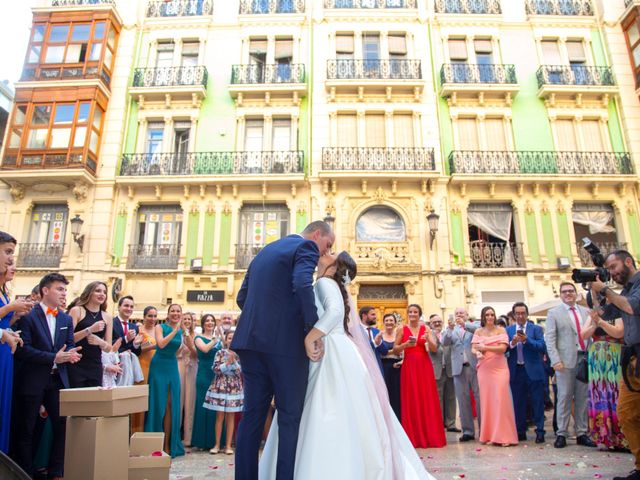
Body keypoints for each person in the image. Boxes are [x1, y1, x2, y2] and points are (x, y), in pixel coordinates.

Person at [259, 251, 434, 479]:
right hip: (341, 349)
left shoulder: (323, 282)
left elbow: (334, 312)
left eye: (331, 253)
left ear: (334, 266)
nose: (326, 252)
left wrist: (310, 337)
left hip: (330, 349)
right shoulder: (331, 284)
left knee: (325, 403)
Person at [232, 220, 334, 480]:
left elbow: (241, 298)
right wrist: (312, 327)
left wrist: (264, 321)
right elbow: (302, 284)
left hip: (250, 343)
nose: (325, 251)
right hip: (285, 348)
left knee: (252, 417)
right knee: (289, 417)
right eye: (327, 244)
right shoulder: (305, 247)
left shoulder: (264, 252)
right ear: (317, 234)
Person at [13, 273, 82, 479]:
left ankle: (56, 471)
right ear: (45, 290)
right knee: (27, 428)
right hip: (32, 379)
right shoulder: (29, 315)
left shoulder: (65, 318)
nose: (64, 293)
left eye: (64, 290)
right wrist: (55, 357)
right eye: (59, 289)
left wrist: (71, 354)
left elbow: (69, 344)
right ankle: (25, 472)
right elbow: (23, 350)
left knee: (63, 425)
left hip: (56, 380)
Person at [590, 250, 640, 480]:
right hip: (630, 359)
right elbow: (604, 312)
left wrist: (607, 290)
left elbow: (631, 307)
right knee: (626, 413)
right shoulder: (625, 290)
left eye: (613, 267)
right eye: (609, 269)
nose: (612, 273)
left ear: (628, 261)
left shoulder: (637, 286)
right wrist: (595, 291)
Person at [544, 282, 596, 449]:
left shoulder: (585, 312)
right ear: (560, 294)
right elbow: (550, 339)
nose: (568, 294)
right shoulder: (554, 313)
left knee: (582, 398)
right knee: (564, 398)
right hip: (564, 362)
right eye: (564, 291)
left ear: (576, 293)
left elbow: (590, 335)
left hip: (584, 359)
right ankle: (561, 433)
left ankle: (582, 433)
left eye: (571, 291)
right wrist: (555, 360)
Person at [393, 304, 446, 448]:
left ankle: (430, 436)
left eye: (415, 312)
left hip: (424, 366)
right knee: (412, 399)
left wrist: (428, 338)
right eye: (410, 312)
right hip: (409, 367)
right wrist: (405, 345)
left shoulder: (426, 329)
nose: (412, 314)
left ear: (419, 314)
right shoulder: (401, 329)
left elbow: (434, 349)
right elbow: (395, 350)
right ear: (407, 313)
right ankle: (414, 437)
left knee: (426, 398)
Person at [471, 306, 518, 446]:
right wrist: (477, 352)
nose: (490, 317)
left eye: (492, 314)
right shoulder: (478, 331)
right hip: (484, 368)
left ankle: (505, 436)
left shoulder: (501, 330)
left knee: (502, 400)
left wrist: (485, 347)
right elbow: (473, 347)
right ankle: (488, 435)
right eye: (487, 314)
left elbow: (503, 348)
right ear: (483, 316)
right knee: (487, 401)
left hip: (499, 367)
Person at [581, 308, 626, 450]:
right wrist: (595, 323)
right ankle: (603, 436)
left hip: (614, 354)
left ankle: (620, 437)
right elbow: (583, 335)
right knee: (598, 395)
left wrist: (600, 322)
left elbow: (619, 332)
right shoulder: (593, 313)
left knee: (616, 394)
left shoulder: (617, 311)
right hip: (596, 357)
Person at [145, 303, 185, 458]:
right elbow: (160, 344)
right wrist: (175, 330)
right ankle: (156, 444)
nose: (175, 313)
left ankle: (168, 445)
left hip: (172, 366)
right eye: (173, 311)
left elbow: (180, 350)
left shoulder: (182, 331)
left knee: (171, 405)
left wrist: (185, 335)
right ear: (168, 314)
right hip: (159, 366)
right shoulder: (160, 328)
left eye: (178, 311)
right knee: (158, 404)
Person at [507, 302, 547, 443]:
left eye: (523, 313)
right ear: (514, 315)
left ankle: (540, 431)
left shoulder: (535, 329)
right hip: (516, 371)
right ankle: (520, 430)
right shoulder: (509, 330)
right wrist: (512, 343)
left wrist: (526, 340)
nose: (520, 316)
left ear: (527, 314)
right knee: (518, 403)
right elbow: (505, 349)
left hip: (533, 371)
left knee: (537, 402)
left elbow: (541, 346)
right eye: (517, 313)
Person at [442, 307, 481, 442]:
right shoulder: (452, 330)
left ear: (467, 315)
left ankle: (483, 429)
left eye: (461, 313)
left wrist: (464, 324)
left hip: (474, 366)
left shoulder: (475, 325)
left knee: (479, 398)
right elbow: (445, 343)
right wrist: (449, 329)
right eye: (456, 313)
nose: (459, 315)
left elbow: (479, 331)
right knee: (463, 400)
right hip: (459, 368)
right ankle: (468, 431)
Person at [204, 330, 243, 455]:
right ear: (225, 340)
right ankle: (217, 444)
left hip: (234, 388)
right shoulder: (219, 352)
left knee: (231, 416)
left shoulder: (240, 354)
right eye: (229, 338)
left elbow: (240, 371)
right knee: (219, 416)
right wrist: (226, 364)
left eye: (234, 338)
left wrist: (234, 362)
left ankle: (228, 445)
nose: (231, 340)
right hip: (220, 386)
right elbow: (215, 369)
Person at [68, 281, 113, 387]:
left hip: (95, 364)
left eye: (104, 292)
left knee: (93, 400)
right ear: (89, 293)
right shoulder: (77, 310)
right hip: (76, 362)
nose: (102, 294)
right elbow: (68, 339)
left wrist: (100, 342)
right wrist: (89, 330)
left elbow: (109, 348)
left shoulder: (107, 317)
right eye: (98, 291)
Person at [191, 314, 222, 450]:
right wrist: (215, 340)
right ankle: (201, 441)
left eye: (212, 321)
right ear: (203, 324)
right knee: (203, 406)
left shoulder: (218, 339)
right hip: (204, 375)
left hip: (217, 375)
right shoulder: (198, 338)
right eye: (207, 321)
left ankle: (215, 441)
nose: (210, 323)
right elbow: (204, 349)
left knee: (216, 407)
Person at [429, 314, 458, 433]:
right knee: (438, 398)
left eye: (439, 321)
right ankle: (439, 424)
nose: (437, 324)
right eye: (434, 322)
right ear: (430, 324)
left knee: (451, 397)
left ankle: (451, 423)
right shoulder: (428, 335)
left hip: (450, 369)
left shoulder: (449, 333)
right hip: (436, 369)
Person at [132, 306, 158, 433]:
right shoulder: (139, 330)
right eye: (150, 316)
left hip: (157, 368)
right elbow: (136, 349)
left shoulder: (158, 330)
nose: (152, 319)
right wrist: (154, 346)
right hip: (142, 367)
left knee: (153, 402)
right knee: (140, 402)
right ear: (144, 317)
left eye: (154, 316)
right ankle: (136, 433)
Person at [178, 311, 197, 449]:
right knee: (178, 401)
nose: (186, 320)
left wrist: (188, 336)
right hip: (179, 366)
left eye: (189, 319)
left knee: (190, 402)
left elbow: (196, 352)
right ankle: (175, 436)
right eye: (184, 318)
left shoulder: (196, 336)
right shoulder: (176, 334)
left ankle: (188, 437)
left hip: (192, 368)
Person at [380, 312, 402, 420]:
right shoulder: (379, 335)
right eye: (387, 320)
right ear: (383, 322)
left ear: (395, 323)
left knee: (397, 393)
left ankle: (397, 418)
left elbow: (403, 351)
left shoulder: (399, 335)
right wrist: (394, 351)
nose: (389, 322)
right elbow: (379, 353)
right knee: (385, 392)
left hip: (397, 366)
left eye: (391, 320)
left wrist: (388, 352)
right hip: (384, 367)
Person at [359, 306, 388, 373]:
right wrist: (375, 343)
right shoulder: (354, 331)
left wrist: (379, 343)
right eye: (372, 314)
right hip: (362, 368)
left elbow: (385, 352)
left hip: (377, 369)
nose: (375, 317)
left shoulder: (377, 331)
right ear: (364, 316)